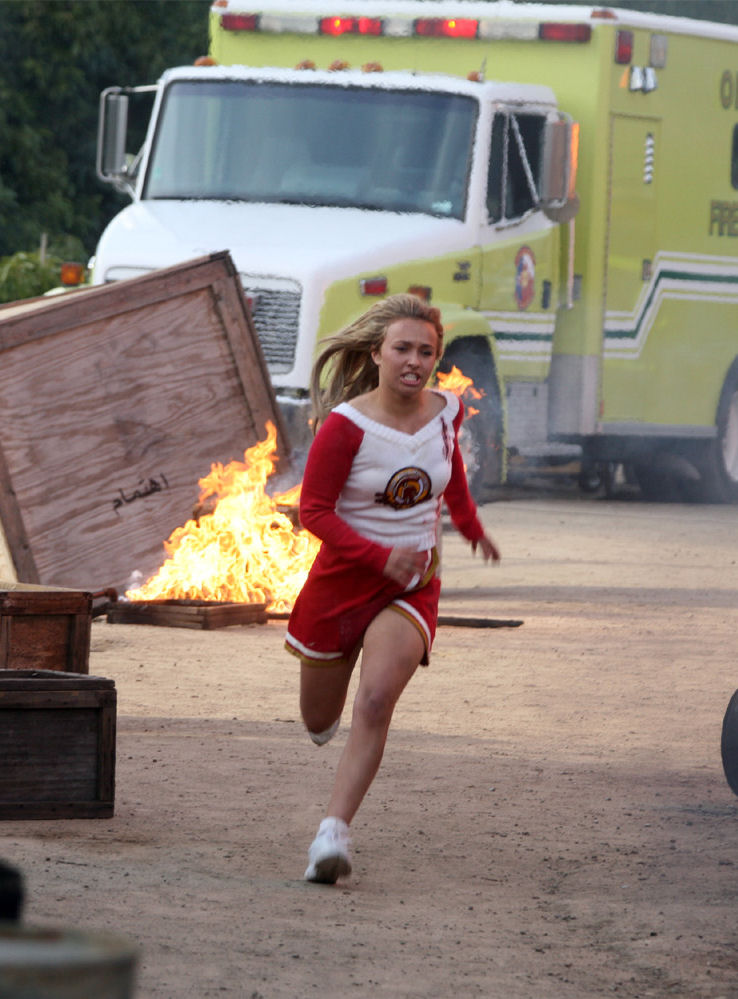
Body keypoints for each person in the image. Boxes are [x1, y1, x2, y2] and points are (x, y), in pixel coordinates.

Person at [285, 293, 500, 884]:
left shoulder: (448, 411)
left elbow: (451, 476)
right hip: (341, 586)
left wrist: (471, 528)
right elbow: (313, 512)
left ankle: (333, 834)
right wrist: (379, 555)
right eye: (402, 348)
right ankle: (324, 716)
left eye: (426, 352)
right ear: (377, 353)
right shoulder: (345, 426)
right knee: (318, 721)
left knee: (376, 701)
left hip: (410, 586)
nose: (414, 361)